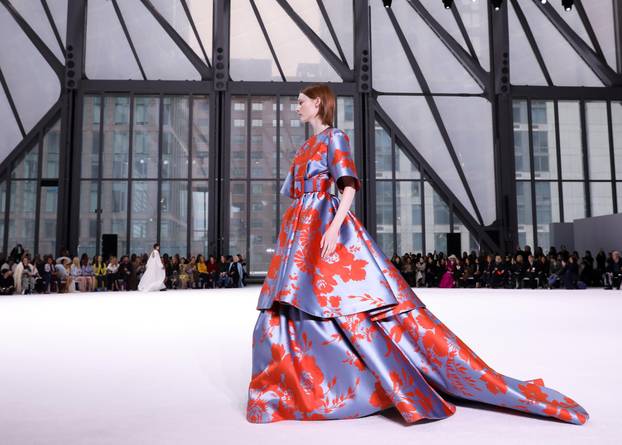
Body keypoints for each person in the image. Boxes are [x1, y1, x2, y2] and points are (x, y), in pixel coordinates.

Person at [245, 84, 588, 425]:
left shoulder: (336, 138)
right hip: (300, 227)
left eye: (301, 102)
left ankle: (359, 380)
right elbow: (296, 189)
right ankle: (302, 380)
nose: (296, 107)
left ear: (318, 103)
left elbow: (348, 184)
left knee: (343, 302)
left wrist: (335, 227)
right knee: (300, 301)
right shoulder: (307, 145)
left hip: (323, 221)